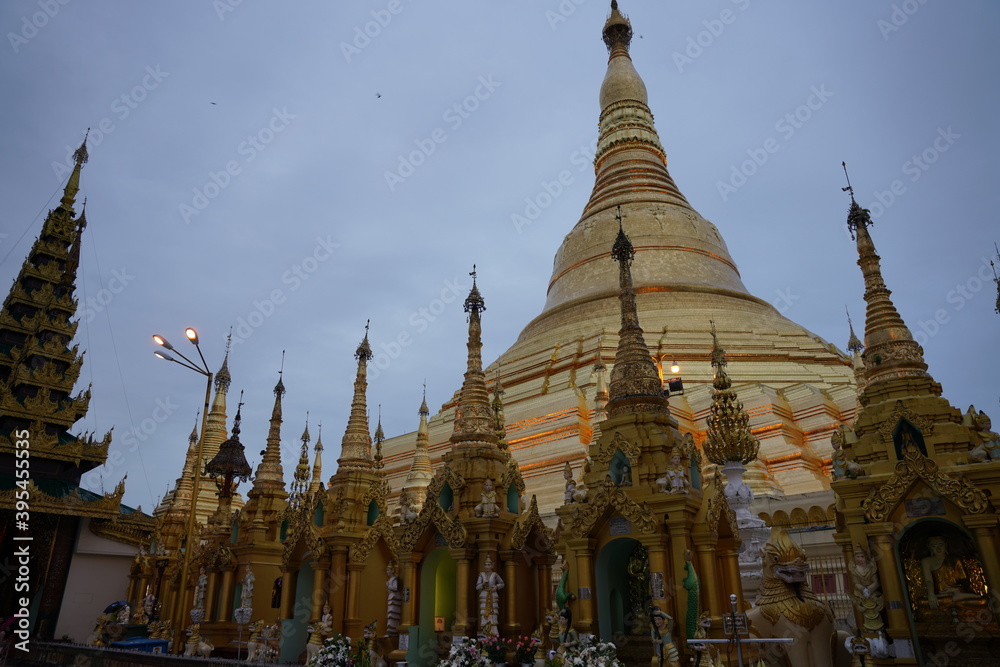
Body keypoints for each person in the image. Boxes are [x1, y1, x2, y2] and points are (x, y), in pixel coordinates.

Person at [920, 536, 982, 610]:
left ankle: (958, 600)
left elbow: (965, 581)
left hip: (956, 593)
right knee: (923, 602)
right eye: (934, 546)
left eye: (941, 545)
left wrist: (955, 589)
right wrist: (931, 594)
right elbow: (928, 581)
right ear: (929, 547)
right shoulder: (926, 561)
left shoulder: (955, 560)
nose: (938, 549)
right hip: (940, 596)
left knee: (982, 601)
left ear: (946, 545)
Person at [476, 554, 504, 636]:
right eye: (485, 565)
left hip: (492, 595)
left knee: (493, 614)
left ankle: (493, 634)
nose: (487, 566)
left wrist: (496, 587)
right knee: (484, 614)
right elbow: (477, 587)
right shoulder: (481, 575)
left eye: (489, 565)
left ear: (492, 566)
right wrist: (483, 584)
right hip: (484, 595)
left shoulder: (495, 574)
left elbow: (502, 583)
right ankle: (484, 633)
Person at [386, 562, 401, 636]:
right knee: (389, 615)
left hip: (394, 597)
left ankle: (393, 631)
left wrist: (388, 586)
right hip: (390, 597)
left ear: (392, 571)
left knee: (393, 614)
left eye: (388, 570)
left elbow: (395, 588)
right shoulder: (390, 579)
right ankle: (389, 631)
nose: (387, 572)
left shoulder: (394, 579)